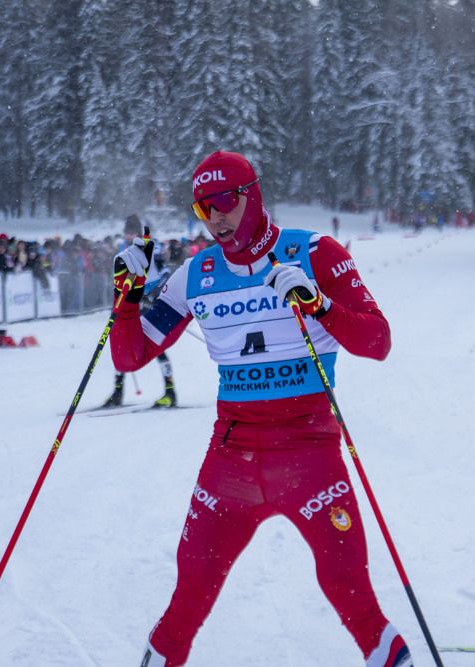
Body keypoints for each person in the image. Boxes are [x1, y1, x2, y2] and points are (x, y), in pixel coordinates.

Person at [109, 150, 412, 667]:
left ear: (253, 195)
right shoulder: (195, 274)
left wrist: (318, 303)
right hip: (231, 461)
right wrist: (126, 297)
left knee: (352, 595)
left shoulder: (315, 252)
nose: (216, 218)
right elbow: (130, 355)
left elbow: (377, 341)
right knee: (188, 597)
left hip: (309, 453)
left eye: (224, 202)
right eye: (204, 209)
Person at [102, 214, 176, 409]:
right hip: (133, 303)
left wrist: (152, 295)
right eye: (126, 233)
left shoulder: (153, 248)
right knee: (121, 346)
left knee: (155, 347)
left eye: (131, 233)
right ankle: (118, 392)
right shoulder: (123, 250)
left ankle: (170, 391)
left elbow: (166, 274)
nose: (128, 237)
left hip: (152, 302)